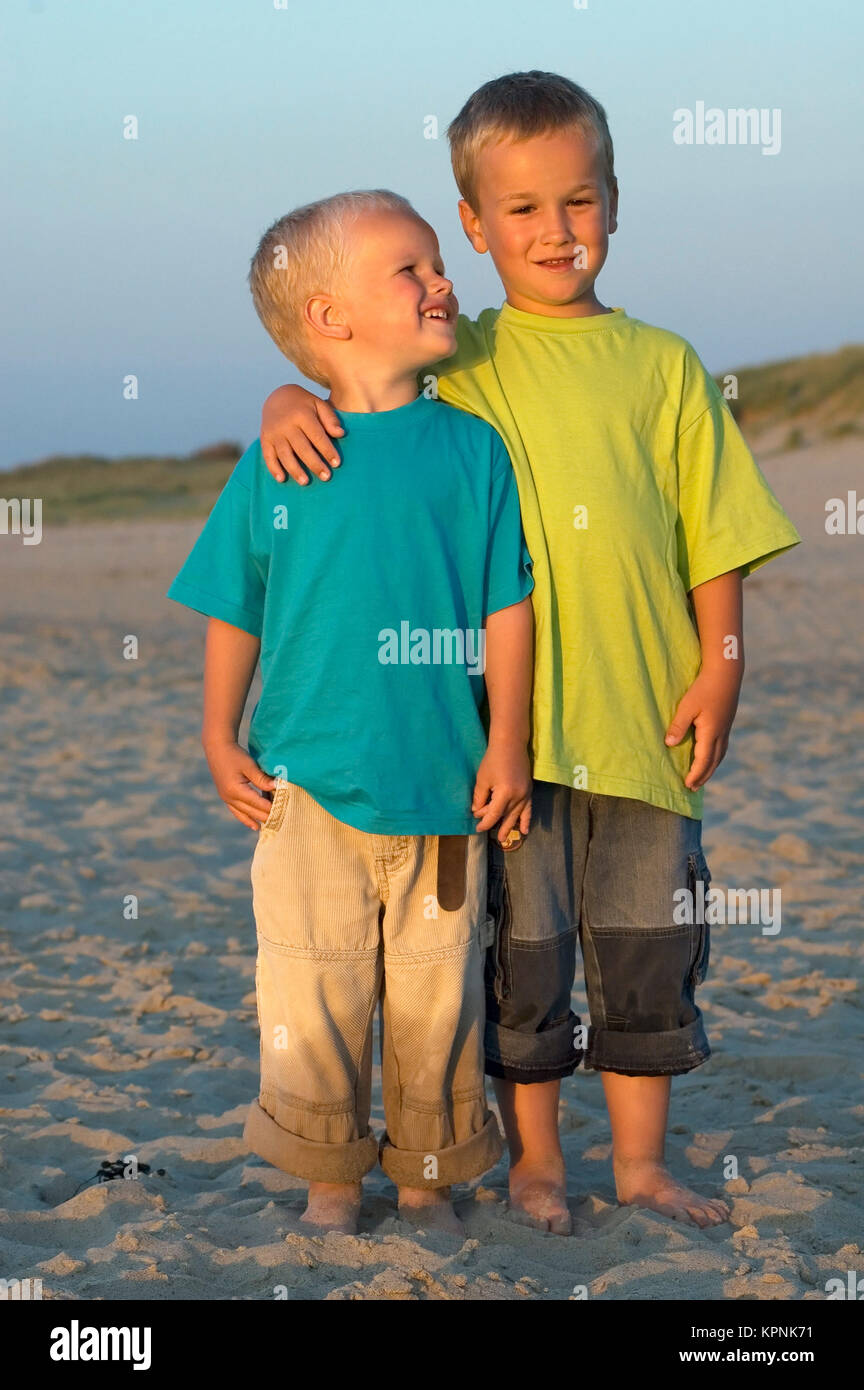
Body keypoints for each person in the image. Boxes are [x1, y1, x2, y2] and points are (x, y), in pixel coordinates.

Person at [254, 73, 802, 1234]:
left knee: (649, 953)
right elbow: (358, 384)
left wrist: (723, 662)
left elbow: (719, 536)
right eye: (521, 211)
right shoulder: (467, 354)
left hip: (646, 722)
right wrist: (276, 401)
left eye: (579, 200)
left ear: (615, 201)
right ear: (474, 225)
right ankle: (538, 1162)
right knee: (526, 961)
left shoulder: (663, 364)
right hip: (506, 736)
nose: (556, 231)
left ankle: (645, 1164)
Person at [167, 189, 535, 1235]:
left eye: (436, 265)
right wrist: (214, 734)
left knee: (437, 993)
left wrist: (507, 737)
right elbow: (235, 604)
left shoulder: (473, 451)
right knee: (310, 989)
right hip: (305, 784)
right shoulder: (278, 456)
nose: (441, 282)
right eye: (410, 270)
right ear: (331, 320)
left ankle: (426, 1174)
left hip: (443, 781)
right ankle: (332, 1178)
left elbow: (508, 605)